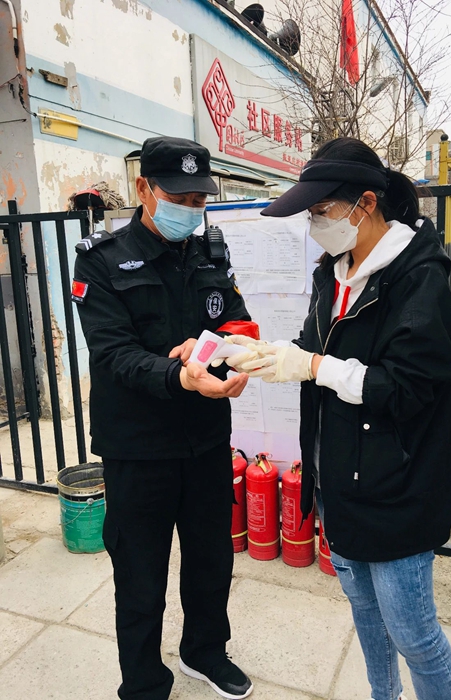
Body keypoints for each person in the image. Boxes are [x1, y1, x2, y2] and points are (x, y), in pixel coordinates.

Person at [226, 137, 451, 700]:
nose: (315, 225)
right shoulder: (332, 274)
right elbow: (316, 350)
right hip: (337, 475)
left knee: (414, 634)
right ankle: (384, 695)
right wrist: (270, 356)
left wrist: (312, 365)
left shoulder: (420, 276)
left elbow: (404, 387)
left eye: (321, 211)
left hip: (398, 485)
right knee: (365, 615)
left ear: (366, 203)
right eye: (309, 214)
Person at [72, 136, 255, 700]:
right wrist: (179, 375)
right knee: (140, 574)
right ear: (144, 189)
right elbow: (112, 353)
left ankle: (205, 650)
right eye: (179, 198)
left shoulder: (210, 254)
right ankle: (144, 682)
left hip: (205, 441)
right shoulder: (101, 261)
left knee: (211, 560)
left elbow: (237, 322)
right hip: (138, 448)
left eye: (199, 200)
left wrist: (236, 355)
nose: (191, 210)